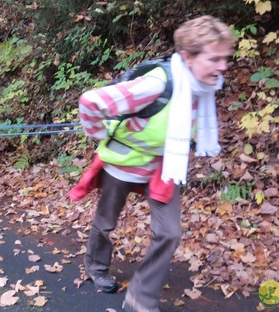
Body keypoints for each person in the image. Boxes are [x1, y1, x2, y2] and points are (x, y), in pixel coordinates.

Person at [69, 16, 234, 312]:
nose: (223, 67)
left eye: (226, 58)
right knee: (106, 224)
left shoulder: (203, 86)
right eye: (215, 59)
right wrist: (101, 133)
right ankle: (95, 268)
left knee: (170, 232)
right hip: (121, 161)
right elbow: (91, 102)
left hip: (161, 166)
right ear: (187, 57)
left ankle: (141, 296)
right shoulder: (157, 83)